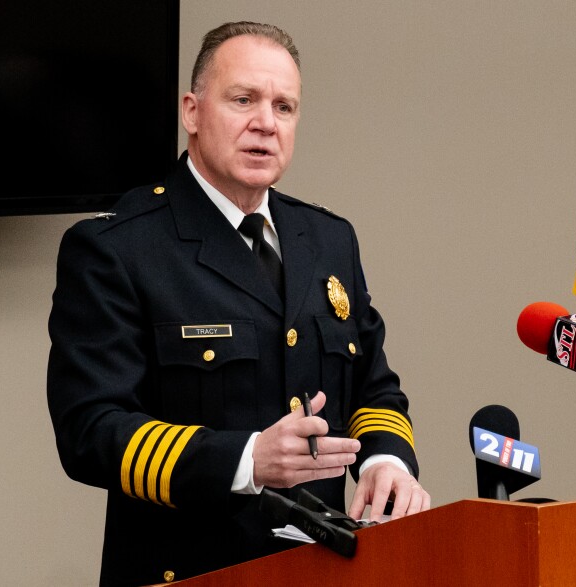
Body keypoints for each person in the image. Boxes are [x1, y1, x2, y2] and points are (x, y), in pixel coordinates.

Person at [47, 21, 430, 586]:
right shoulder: (117, 248)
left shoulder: (328, 239)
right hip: (190, 572)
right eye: (243, 100)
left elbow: (373, 386)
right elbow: (90, 431)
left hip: (321, 570)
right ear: (192, 112)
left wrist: (385, 461)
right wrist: (248, 460)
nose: (265, 124)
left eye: (284, 106)